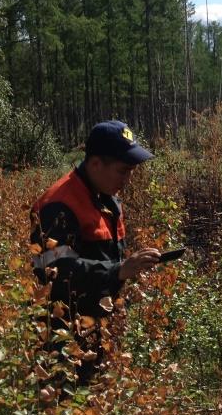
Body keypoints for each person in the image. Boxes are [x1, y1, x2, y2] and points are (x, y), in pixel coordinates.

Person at [30, 120, 161, 389]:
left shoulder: (106, 198)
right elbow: (52, 274)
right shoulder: (60, 204)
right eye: (123, 171)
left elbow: (103, 257)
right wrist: (118, 271)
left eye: (132, 171)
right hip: (64, 338)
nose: (128, 179)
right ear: (95, 164)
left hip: (98, 328)